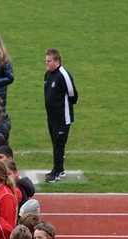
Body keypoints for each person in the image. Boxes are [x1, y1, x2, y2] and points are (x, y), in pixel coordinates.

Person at [43, 48, 78, 183]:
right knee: (55, 143)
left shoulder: (63, 75)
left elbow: (73, 94)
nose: (46, 63)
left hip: (62, 118)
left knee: (58, 145)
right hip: (51, 117)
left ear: (57, 61)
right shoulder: (47, 75)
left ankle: (56, 172)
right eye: (46, 61)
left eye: (49, 61)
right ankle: (60, 169)